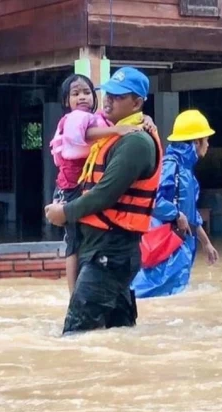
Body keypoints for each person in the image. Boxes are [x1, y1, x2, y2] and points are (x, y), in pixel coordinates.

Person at [44, 66, 163, 334]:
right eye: (108, 93)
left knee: (76, 333)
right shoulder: (112, 130)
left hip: (111, 250)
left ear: (137, 102)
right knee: (117, 333)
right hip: (104, 248)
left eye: (118, 96)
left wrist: (65, 212)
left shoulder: (135, 142)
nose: (108, 99)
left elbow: (106, 194)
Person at [49, 73, 141, 296]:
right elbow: (84, 135)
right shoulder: (73, 119)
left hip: (84, 188)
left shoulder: (97, 118)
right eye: (76, 93)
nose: (82, 97)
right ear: (66, 101)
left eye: (87, 92)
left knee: (83, 243)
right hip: (70, 189)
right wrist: (117, 130)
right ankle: (74, 295)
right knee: (73, 245)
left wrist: (143, 119)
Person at [131, 110, 219, 298]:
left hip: (179, 251)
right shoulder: (171, 165)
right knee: (152, 295)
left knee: (172, 297)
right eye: (206, 139)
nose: (209, 144)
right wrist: (176, 215)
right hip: (167, 249)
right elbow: (153, 201)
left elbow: (191, 215)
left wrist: (206, 243)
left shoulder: (186, 171)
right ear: (196, 142)